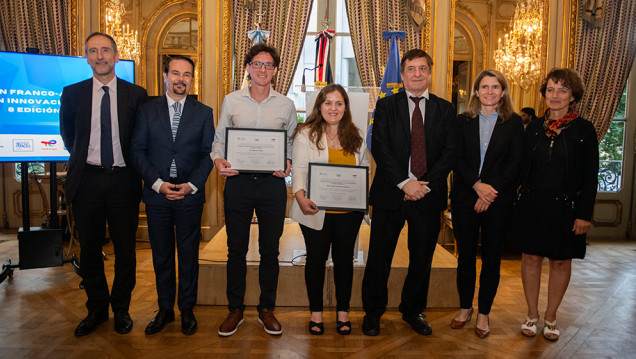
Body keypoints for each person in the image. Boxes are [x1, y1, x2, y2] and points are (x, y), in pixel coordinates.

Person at [361, 48, 457, 336]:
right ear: (402, 75)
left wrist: (423, 185)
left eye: (422, 69)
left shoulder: (445, 108)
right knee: (379, 257)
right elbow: (380, 147)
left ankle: (412, 310)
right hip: (391, 193)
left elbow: (450, 152)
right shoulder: (386, 106)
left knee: (422, 259)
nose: (417, 74)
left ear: (429, 73)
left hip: (428, 195)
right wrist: (405, 183)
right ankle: (373, 313)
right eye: (411, 69)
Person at [59, 32, 147, 337]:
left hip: (124, 181)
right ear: (87, 57)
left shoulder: (136, 94)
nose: (100, 56)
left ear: (116, 56)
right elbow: (70, 137)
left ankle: (121, 309)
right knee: (90, 250)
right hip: (87, 181)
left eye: (105, 50)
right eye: (93, 51)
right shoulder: (72, 93)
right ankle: (96, 309)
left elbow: (140, 139)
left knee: (125, 250)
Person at [211, 44, 297, 337]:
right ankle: (235, 309)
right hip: (238, 182)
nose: (262, 69)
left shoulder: (285, 104)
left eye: (268, 65)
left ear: (275, 70)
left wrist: (288, 162)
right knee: (235, 249)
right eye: (257, 64)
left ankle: (266, 309)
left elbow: (291, 145)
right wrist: (218, 160)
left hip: (272, 185)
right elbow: (219, 140)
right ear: (248, 67)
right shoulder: (231, 101)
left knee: (270, 250)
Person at [132, 55, 215, 336]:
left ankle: (187, 309)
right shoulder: (146, 110)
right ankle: (165, 309)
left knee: (189, 255)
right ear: (165, 75)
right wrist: (157, 184)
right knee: (162, 255)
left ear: (192, 78)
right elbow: (137, 151)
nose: (181, 79)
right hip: (157, 195)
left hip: (190, 195)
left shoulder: (204, 112)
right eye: (176, 73)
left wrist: (192, 185)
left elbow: (208, 155)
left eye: (187, 74)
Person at [516, 68, 598, 341]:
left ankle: (551, 317)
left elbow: (590, 176)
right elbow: (519, 168)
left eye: (562, 90)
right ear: (544, 94)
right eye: (550, 89)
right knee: (531, 258)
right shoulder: (533, 128)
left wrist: (583, 214)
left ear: (572, 96)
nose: (555, 95)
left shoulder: (584, 130)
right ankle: (531, 314)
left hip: (566, 208)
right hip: (532, 205)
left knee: (561, 262)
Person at [449, 69, 523, 338]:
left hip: (498, 200)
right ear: (476, 92)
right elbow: (455, 158)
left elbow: (516, 163)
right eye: (484, 87)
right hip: (465, 197)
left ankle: (483, 313)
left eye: (495, 87)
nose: (489, 91)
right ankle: (465, 307)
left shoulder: (513, 123)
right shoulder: (462, 121)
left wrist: (490, 192)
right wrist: (477, 186)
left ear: (503, 92)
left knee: (492, 260)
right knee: (465, 258)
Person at [290, 84, 368, 336]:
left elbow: (363, 169)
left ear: (345, 107)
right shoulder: (306, 134)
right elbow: (299, 170)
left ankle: (343, 313)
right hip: (313, 211)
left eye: (338, 103)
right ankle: (316, 314)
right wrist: (300, 198)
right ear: (319, 106)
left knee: (345, 262)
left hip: (348, 215)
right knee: (315, 261)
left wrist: (360, 197)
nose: (333, 108)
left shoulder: (356, 135)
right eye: (328, 103)